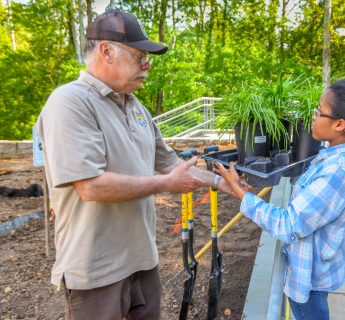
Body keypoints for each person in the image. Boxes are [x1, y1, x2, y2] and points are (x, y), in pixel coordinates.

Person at [35, 9, 243, 320]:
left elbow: (172, 163)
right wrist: (165, 185)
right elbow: (91, 186)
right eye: (139, 56)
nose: (147, 65)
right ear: (106, 51)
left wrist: (224, 183)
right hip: (96, 270)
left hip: (143, 260)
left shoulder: (135, 107)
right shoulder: (70, 102)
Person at [214, 76, 345, 320]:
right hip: (313, 267)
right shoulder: (334, 156)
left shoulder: (339, 171)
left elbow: (288, 224)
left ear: (340, 124)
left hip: (310, 279)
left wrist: (241, 192)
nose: (313, 116)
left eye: (319, 111)